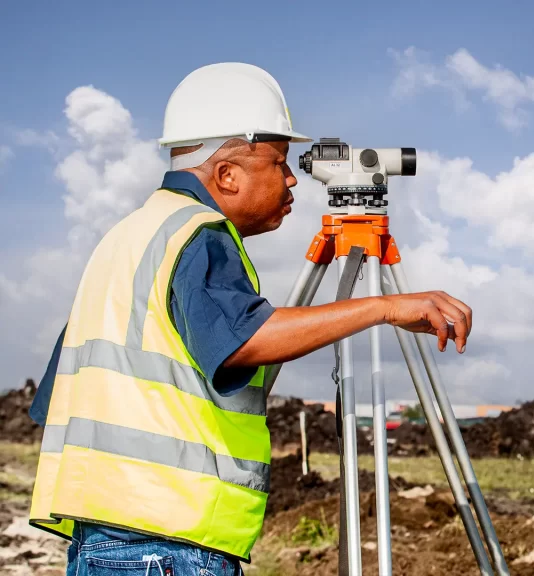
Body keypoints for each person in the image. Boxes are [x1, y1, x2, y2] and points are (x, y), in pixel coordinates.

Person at [26, 62, 472, 576]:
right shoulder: (198, 233)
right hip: (165, 539)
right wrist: (385, 307)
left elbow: (58, 398)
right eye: (279, 162)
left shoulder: (129, 237)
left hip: (106, 532)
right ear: (227, 175)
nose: (292, 178)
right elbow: (246, 339)